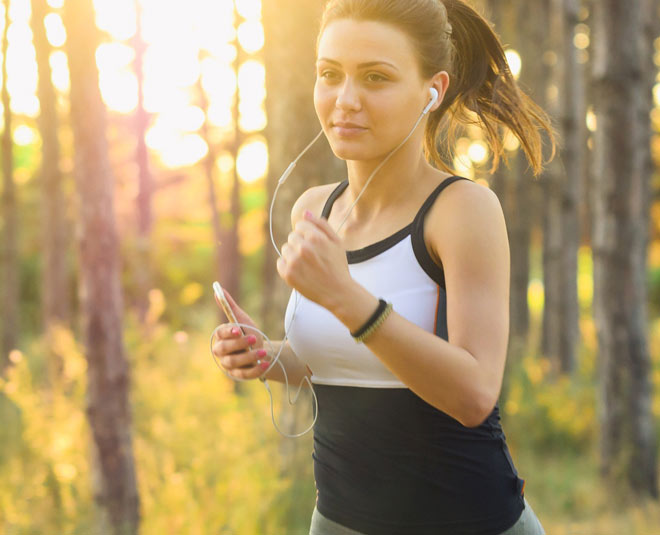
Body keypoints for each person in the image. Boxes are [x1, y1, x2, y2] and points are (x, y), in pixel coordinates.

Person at [212, 0, 557, 533]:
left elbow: (474, 395)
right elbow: (333, 361)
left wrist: (348, 299)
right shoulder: (313, 208)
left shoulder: (461, 210)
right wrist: (266, 356)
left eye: (375, 77)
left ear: (432, 90)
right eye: (330, 74)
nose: (345, 100)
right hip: (339, 521)